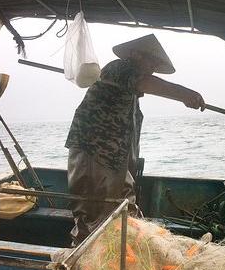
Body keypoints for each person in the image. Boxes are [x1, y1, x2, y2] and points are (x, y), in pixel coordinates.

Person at [65, 34, 205, 246]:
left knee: (125, 212)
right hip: (93, 154)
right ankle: (81, 269)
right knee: (93, 217)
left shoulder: (128, 94)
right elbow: (146, 81)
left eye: (155, 64)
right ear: (134, 55)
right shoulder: (117, 68)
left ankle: (125, 261)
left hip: (116, 162)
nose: (152, 68)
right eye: (150, 61)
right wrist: (185, 94)